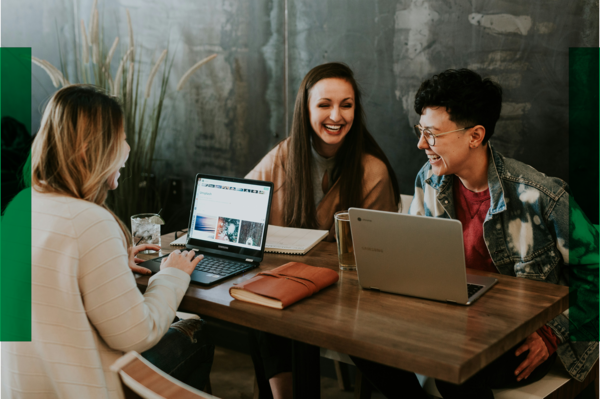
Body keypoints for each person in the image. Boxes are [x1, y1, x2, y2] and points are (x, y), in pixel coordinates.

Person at [351, 68, 599, 399]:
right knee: (359, 340)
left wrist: (551, 335)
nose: (421, 143)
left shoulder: (541, 196)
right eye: (420, 130)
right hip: (452, 324)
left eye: (432, 134)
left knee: (455, 369)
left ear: (475, 136)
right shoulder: (429, 179)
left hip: (519, 336)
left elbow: (595, 272)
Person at [0, 85, 214, 399]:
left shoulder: (20, 205)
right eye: (122, 138)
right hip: (79, 390)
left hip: (23, 389)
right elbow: (136, 334)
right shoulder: (90, 220)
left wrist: (112, 261)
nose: (127, 148)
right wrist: (173, 274)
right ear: (91, 149)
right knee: (198, 332)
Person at [245, 62, 400, 399]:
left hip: (346, 298)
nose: (337, 115)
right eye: (324, 104)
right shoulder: (286, 154)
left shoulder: (372, 171)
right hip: (288, 286)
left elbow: (376, 258)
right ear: (306, 109)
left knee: (269, 309)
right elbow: (244, 202)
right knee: (260, 306)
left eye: (346, 105)